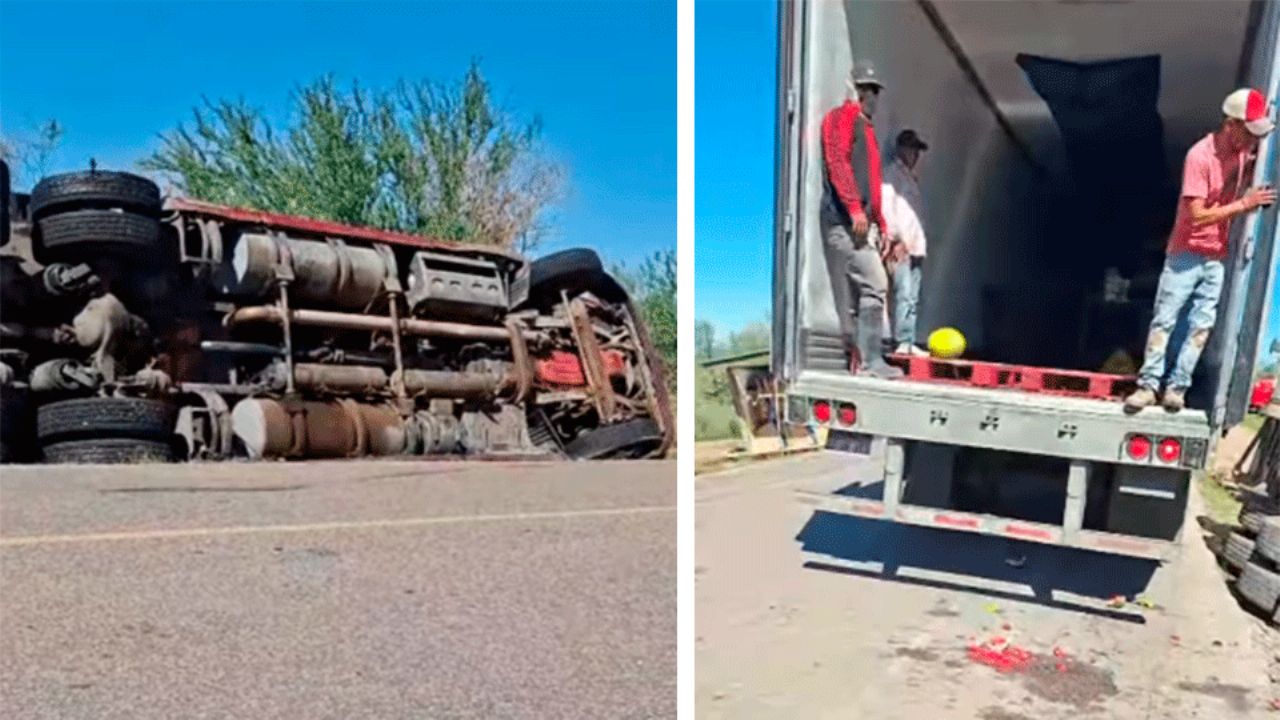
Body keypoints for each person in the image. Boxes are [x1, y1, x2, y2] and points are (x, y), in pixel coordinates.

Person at [1125, 88, 1276, 412]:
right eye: (1249, 133)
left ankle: (1177, 388)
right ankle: (1148, 385)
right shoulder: (1200, 157)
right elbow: (1198, 214)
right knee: (1166, 319)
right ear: (1230, 125)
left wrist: (1253, 170)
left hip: (1215, 256)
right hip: (1186, 253)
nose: (1252, 141)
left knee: (1200, 324)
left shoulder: (1240, 153)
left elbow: (1243, 169)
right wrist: (1245, 204)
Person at [820, 60, 902, 379]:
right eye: (867, 90)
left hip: (860, 224)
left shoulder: (866, 130)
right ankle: (871, 362)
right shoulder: (843, 118)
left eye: (875, 91)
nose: (872, 97)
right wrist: (853, 207)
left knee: (862, 296)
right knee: (875, 284)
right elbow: (836, 161)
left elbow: (873, 184)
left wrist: (882, 225)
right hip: (844, 222)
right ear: (854, 90)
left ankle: (861, 362)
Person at [881, 129, 930, 356]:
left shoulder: (912, 178)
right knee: (903, 292)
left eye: (917, 151)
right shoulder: (892, 174)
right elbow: (887, 208)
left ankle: (908, 340)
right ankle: (901, 340)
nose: (916, 155)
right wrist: (895, 238)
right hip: (901, 245)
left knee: (912, 296)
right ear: (903, 149)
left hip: (916, 245)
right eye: (913, 150)